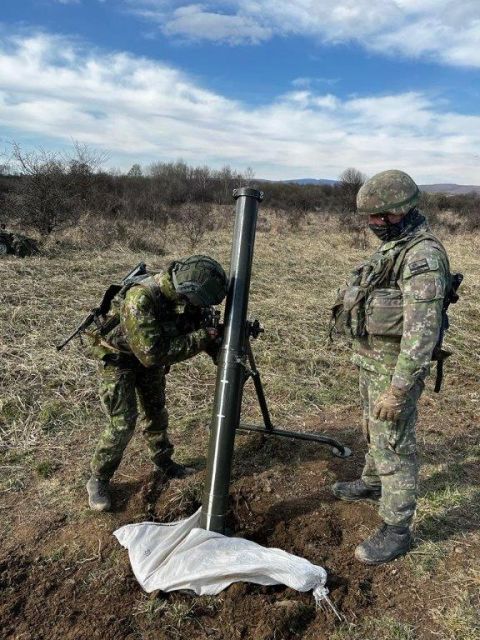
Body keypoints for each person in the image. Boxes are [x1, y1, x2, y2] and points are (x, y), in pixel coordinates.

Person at [330, 170, 451, 564]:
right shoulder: (395, 246)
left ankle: (397, 529)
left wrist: (398, 391)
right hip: (373, 362)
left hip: (395, 370)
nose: (373, 223)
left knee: (394, 445)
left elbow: (421, 333)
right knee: (372, 429)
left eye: (381, 216)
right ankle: (372, 483)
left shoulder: (422, 257)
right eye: (370, 216)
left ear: (403, 210)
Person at [86, 255, 227, 511]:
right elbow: (152, 355)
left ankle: (163, 462)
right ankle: (99, 478)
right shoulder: (140, 299)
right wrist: (202, 338)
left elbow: (198, 326)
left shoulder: (185, 299)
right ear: (188, 292)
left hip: (149, 355)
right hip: (118, 360)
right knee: (123, 422)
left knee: (156, 412)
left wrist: (219, 351)